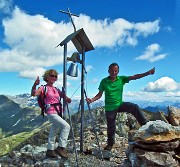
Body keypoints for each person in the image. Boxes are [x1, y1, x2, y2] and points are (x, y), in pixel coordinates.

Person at [86, 63, 155, 151]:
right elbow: (99, 95)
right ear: (108, 71)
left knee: (134, 107)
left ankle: (146, 125)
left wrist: (147, 73)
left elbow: (134, 77)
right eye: (112, 71)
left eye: (116, 71)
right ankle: (110, 144)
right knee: (111, 126)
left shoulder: (121, 79)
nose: (114, 72)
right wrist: (92, 100)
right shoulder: (104, 81)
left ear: (118, 71)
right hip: (110, 107)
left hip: (120, 104)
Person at [31, 69, 71, 158]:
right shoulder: (42, 88)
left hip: (58, 112)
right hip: (51, 112)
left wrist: (67, 99)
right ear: (47, 77)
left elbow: (63, 96)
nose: (54, 77)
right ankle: (61, 147)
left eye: (55, 76)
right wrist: (35, 85)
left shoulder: (56, 89)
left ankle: (50, 150)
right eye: (52, 75)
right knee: (66, 126)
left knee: (54, 130)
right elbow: (33, 94)